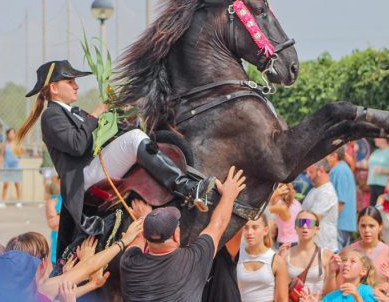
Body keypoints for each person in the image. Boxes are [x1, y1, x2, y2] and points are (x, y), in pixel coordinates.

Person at [16, 60, 216, 257]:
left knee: (140, 136)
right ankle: (187, 188)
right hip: (83, 178)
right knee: (134, 140)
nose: (76, 86)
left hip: (93, 167)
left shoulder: (74, 112)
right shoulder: (51, 116)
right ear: (54, 88)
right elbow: (77, 146)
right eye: (70, 82)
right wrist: (96, 113)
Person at [120, 166, 246, 302]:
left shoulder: (129, 263)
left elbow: (138, 238)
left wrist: (145, 219)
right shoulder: (193, 260)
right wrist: (229, 195)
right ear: (175, 236)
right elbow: (218, 224)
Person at [5, 223, 142, 300]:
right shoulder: (40, 285)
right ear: (44, 261)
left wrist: (91, 285)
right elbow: (90, 266)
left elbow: (58, 292)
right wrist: (124, 241)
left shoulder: (7, 284)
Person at [279, 210, 333, 296]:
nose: (304, 226)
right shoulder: (286, 255)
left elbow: (331, 292)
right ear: (295, 228)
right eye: (300, 222)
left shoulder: (326, 255)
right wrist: (279, 261)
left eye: (309, 223)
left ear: (317, 229)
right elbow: (280, 287)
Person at [237, 214, 289, 302]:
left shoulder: (276, 261)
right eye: (246, 228)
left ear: (265, 230)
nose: (249, 232)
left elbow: (282, 299)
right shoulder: (236, 256)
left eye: (255, 227)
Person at [344, 206, 389, 283]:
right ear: (358, 227)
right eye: (363, 226)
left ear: (380, 227)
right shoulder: (348, 251)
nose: (367, 230)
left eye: (371, 226)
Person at [302, 159, 339, 253]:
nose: (308, 175)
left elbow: (312, 219)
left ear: (321, 171)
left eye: (311, 172)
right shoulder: (315, 189)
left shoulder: (327, 192)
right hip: (313, 246)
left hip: (323, 248)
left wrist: (295, 227)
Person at [327, 146, 357, 250]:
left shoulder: (339, 170)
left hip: (339, 223)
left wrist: (331, 222)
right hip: (344, 223)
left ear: (334, 156)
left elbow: (340, 201)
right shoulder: (343, 169)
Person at [366, 138, 389, 207]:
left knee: (383, 209)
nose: (374, 139)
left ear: (384, 139)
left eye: (377, 137)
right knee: (373, 210)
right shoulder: (376, 152)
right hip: (372, 185)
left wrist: (384, 171)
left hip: (384, 186)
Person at [269, 183, 301, 248]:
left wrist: (273, 195)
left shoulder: (281, 207)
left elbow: (261, 211)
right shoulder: (296, 203)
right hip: (296, 241)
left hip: (287, 243)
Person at [0, 128, 23, 208]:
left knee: (17, 184)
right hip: (6, 165)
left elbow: (21, 153)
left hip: (15, 166)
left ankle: (19, 201)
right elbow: (2, 155)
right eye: (10, 133)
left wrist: (21, 150)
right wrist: (0, 165)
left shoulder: (17, 143)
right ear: (7, 134)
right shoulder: (4, 144)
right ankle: (3, 201)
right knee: (5, 184)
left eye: (13, 133)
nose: (12, 135)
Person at [45, 177, 62, 265]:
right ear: (59, 181)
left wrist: (59, 216)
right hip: (57, 251)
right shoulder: (53, 201)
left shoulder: (80, 199)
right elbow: (52, 223)